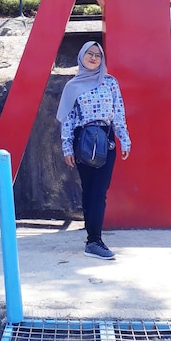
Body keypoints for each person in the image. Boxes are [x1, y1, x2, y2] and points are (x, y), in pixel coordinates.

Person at [56, 41, 131, 260]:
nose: (93, 58)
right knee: (88, 191)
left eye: (98, 55)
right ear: (81, 56)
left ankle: (94, 240)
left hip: (105, 141)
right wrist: (66, 147)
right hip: (83, 142)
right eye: (89, 53)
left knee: (99, 192)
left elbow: (118, 112)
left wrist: (124, 139)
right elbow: (68, 120)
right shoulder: (72, 86)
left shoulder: (110, 82)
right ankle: (93, 240)